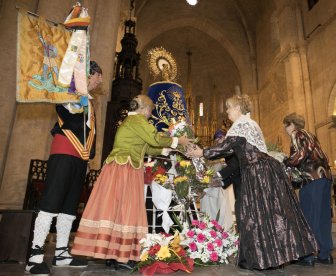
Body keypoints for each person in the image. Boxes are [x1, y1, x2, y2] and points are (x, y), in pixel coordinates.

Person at [186, 95, 317, 270]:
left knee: (257, 214)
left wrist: (202, 152)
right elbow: (231, 149)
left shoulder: (242, 125)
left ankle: (264, 258)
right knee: (264, 214)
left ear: (238, 108)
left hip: (258, 172)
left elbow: (227, 145)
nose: (227, 111)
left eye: (229, 107)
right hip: (261, 170)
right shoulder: (249, 124)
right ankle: (266, 257)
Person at [71, 95, 192, 269]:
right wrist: (177, 140)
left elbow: (150, 147)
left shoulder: (134, 122)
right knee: (123, 208)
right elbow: (155, 139)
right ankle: (119, 256)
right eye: (150, 110)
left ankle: (115, 254)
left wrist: (174, 146)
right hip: (123, 168)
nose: (151, 114)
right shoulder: (138, 121)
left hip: (128, 168)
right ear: (143, 109)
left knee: (119, 210)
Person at [25, 61, 103, 275]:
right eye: (98, 75)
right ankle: (35, 255)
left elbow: (88, 135)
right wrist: (79, 96)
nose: (100, 80)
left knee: (69, 206)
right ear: (88, 74)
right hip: (64, 151)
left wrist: (87, 160)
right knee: (51, 201)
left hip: (80, 157)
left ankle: (61, 253)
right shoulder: (68, 94)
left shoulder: (89, 100)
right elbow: (69, 117)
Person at [282, 113, 333, 266]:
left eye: (285, 126)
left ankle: (307, 256)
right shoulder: (311, 135)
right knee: (323, 218)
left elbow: (300, 155)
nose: (285, 130)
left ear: (291, 124)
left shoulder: (296, 133)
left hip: (311, 179)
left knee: (309, 217)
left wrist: (284, 161)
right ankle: (325, 254)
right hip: (324, 178)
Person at [200, 129, 237, 230]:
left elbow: (233, 171)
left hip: (219, 189)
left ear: (225, 137)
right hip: (208, 190)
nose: (218, 141)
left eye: (220, 138)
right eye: (216, 140)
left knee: (221, 217)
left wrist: (219, 181)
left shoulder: (229, 153)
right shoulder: (211, 155)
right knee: (208, 216)